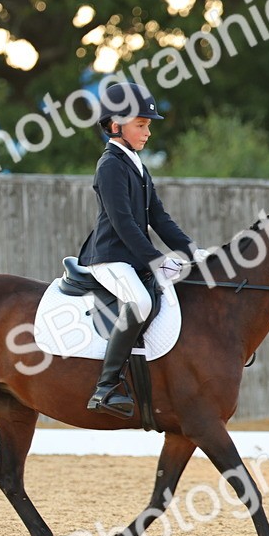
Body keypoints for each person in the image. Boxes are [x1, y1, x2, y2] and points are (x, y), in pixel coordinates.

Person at [77, 82, 204, 417]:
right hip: (108, 257)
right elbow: (123, 224)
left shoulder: (137, 165)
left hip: (130, 257)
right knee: (141, 300)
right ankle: (106, 387)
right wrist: (156, 260)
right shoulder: (110, 166)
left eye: (148, 126)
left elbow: (159, 218)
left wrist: (193, 252)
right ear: (116, 125)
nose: (148, 132)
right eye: (141, 125)